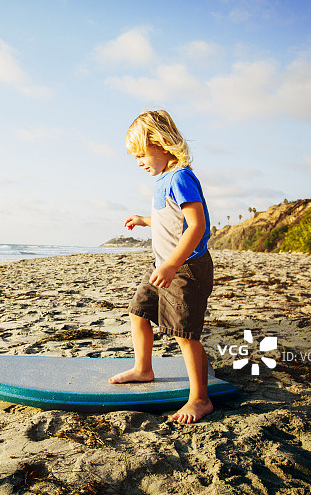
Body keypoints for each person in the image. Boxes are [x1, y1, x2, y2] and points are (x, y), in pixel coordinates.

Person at [109, 110, 214, 424]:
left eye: (142, 153)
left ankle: (200, 399)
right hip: (164, 266)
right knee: (138, 312)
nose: (139, 161)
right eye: (135, 156)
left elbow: (196, 225)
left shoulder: (181, 176)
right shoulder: (163, 180)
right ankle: (144, 368)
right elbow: (172, 218)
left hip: (186, 269)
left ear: (163, 143)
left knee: (184, 334)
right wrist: (146, 220)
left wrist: (171, 264)